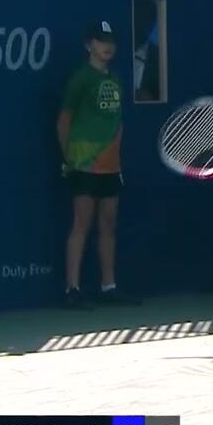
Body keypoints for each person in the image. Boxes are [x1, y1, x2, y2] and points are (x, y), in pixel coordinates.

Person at [56, 21, 140, 309]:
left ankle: (108, 286)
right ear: (88, 45)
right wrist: (69, 158)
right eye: (101, 41)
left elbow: (117, 121)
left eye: (111, 41)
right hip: (83, 162)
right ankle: (72, 289)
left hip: (111, 163)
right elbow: (64, 120)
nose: (108, 47)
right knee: (82, 222)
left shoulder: (115, 78)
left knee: (108, 223)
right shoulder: (80, 78)